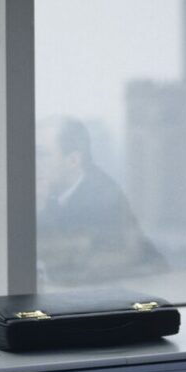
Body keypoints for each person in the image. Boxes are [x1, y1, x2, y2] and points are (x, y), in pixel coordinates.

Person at [36, 116, 167, 287]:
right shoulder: (59, 194)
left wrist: (38, 209)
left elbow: (70, 266)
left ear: (73, 160)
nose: (32, 163)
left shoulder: (102, 200)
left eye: (41, 155)